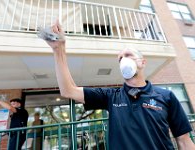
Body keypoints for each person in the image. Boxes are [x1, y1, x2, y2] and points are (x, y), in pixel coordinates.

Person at [41, 20, 195, 150]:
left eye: (128, 55)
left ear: (142, 62)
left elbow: (183, 140)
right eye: (120, 58)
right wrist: (58, 49)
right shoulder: (111, 96)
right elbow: (69, 91)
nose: (123, 60)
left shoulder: (166, 96)